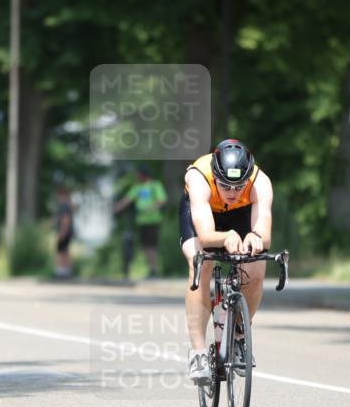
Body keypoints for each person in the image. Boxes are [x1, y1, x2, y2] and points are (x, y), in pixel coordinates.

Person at [180, 139, 273, 384]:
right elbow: (205, 235)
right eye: (225, 185)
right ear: (215, 176)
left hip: (241, 214)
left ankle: (239, 335)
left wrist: (255, 237)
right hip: (203, 215)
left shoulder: (260, 182)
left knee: (255, 268)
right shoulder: (199, 178)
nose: (232, 192)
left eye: (239, 186)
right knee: (200, 264)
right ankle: (198, 353)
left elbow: (264, 233)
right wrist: (226, 237)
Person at [113, 165, 167, 278]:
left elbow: (162, 200)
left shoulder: (154, 185)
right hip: (142, 221)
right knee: (145, 246)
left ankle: (154, 269)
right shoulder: (137, 187)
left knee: (151, 245)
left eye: (139, 174)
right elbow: (127, 200)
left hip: (153, 220)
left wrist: (151, 208)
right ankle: (151, 269)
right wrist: (117, 208)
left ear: (144, 174)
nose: (137, 176)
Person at [53, 186, 74, 279]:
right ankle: (67, 271)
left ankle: (61, 271)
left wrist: (62, 232)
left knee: (60, 251)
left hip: (64, 232)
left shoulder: (64, 206)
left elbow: (66, 220)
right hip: (68, 232)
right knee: (65, 251)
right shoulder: (68, 205)